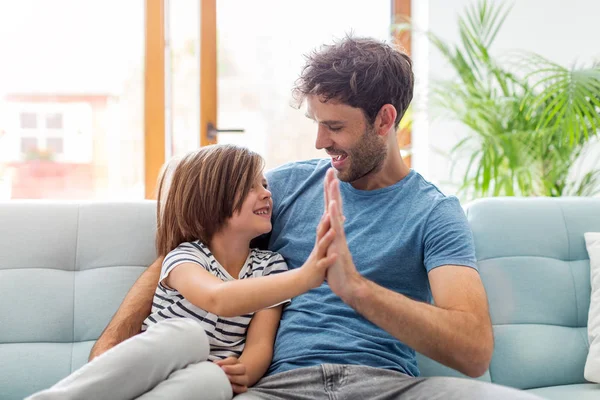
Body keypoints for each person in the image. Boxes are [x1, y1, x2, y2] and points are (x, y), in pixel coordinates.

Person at [90, 36, 542, 399]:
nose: (319, 141)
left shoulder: (435, 214)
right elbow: (190, 250)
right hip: (279, 388)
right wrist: (109, 354)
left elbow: (474, 351)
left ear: (385, 121)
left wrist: (357, 289)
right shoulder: (281, 188)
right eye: (316, 122)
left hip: (389, 386)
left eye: (336, 126)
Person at [27, 145, 338, 400]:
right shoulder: (185, 256)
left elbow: (260, 344)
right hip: (156, 365)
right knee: (187, 335)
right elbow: (218, 298)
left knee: (212, 380)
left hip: (200, 380)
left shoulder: (271, 268)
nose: (267, 193)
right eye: (250, 186)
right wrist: (306, 276)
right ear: (211, 202)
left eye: (265, 185)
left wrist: (243, 370)